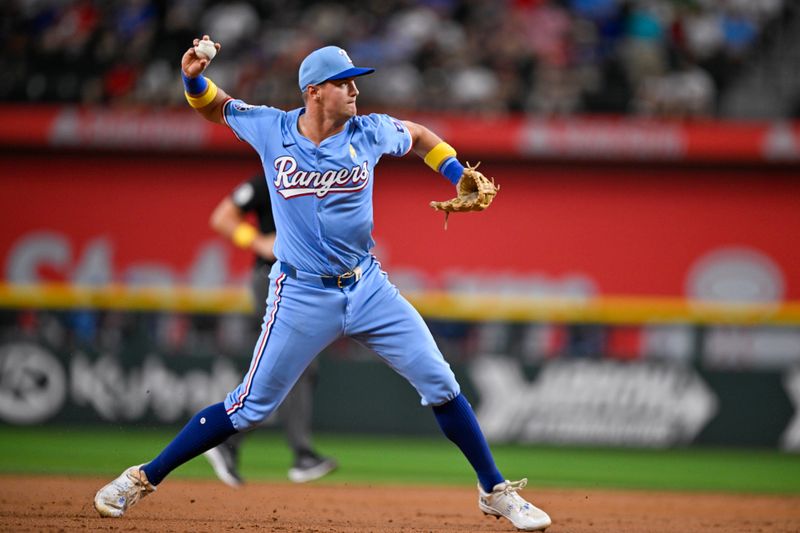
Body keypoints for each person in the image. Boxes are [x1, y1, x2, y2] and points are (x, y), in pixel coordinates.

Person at [93, 35, 552, 531]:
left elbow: (417, 135)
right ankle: (141, 478)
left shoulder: (370, 131)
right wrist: (192, 75)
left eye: (356, 82)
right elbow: (213, 106)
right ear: (314, 91)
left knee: (441, 382)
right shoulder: (271, 127)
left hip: (368, 287)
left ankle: (494, 491)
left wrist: (456, 171)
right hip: (300, 293)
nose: (355, 91)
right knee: (247, 408)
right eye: (344, 83)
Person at [203, 175, 337, 485]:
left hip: (307, 282)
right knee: (294, 364)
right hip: (273, 278)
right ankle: (301, 454)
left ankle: (227, 442)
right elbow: (221, 218)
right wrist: (256, 241)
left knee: (291, 366)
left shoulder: (328, 178)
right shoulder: (273, 177)